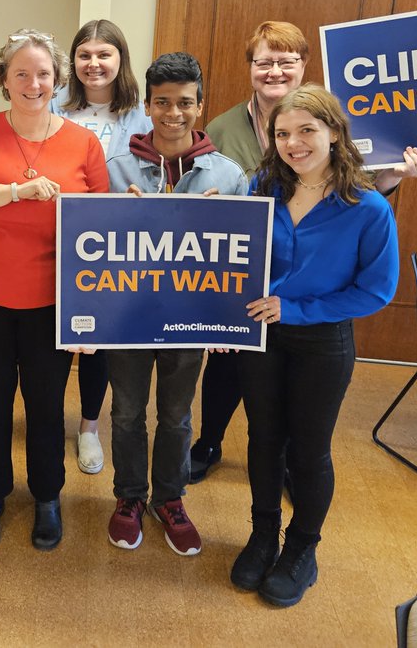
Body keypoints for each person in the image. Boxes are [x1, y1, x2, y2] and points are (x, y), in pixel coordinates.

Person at [190, 21, 417, 483]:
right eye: (264, 61)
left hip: (307, 299)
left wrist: (396, 176)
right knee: (227, 376)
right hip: (245, 287)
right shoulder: (223, 126)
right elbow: (235, 205)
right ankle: (209, 442)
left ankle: (287, 465)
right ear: (250, 69)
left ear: (304, 66)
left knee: (295, 419)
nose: (274, 70)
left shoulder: (351, 128)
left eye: (286, 61)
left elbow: (354, 201)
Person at [0, 29, 109, 553]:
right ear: (3, 80)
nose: (34, 83)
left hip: (51, 301)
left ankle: (47, 496)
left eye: (44, 74)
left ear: (58, 80)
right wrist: (16, 191)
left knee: (44, 403)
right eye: (21, 74)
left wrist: (93, 311)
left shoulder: (84, 142)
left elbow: (100, 228)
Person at [232, 83, 399, 607]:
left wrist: (297, 309)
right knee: (263, 439)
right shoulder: (264, 186)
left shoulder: (367, 207)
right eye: (283, 133)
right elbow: (228, 250)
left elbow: (375, 290)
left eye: (306, 130)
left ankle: (302, 548)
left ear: (334, 132)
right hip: (262, 336)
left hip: (323, 341)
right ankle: (262, 536)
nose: (293, 143)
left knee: (308, 450)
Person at [104, 52, 246, 556]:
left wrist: (229, 325)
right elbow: (87, 245)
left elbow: (241, 259)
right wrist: (115, 219)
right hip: (127, 319)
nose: (173, 113)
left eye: (185, 103)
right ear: (147, 105)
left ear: (200, 105)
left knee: (177, 415)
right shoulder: (114, 170)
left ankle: (170, 497)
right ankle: (128, 497)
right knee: (124, 413)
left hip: (190, 321)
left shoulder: (228, 176)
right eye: (162, 102)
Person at [50, 19, 149, 477]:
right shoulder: (52, 104)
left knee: (97, 341)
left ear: (120, 60)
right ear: (72, 61)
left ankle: (89, 427)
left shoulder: (141, 115)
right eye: (84, 55)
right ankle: (48, 420)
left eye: (103, 54)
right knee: (50, 337)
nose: (93, 64)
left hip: (114, 242)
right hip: (53, 237)